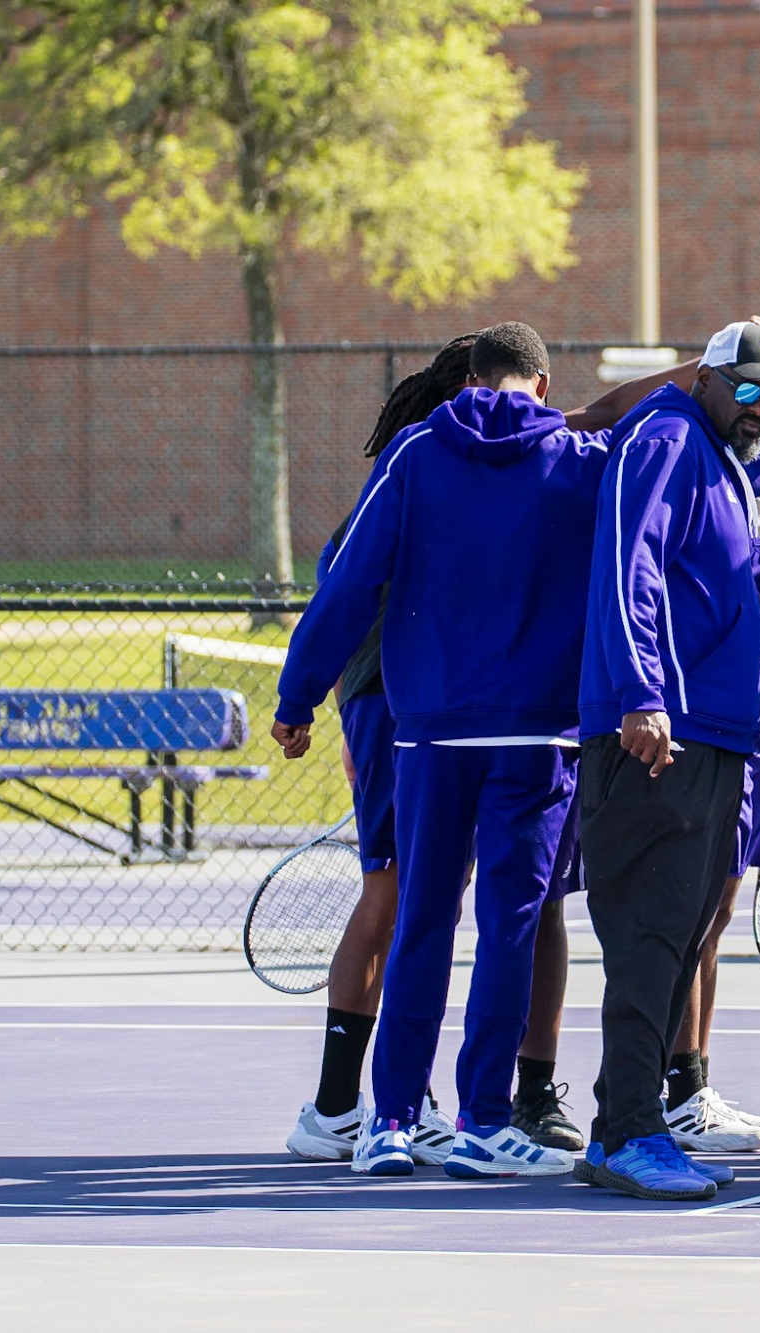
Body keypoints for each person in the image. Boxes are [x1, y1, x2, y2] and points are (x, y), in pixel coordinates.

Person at [274, 322, 613, 1181]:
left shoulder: (417, 454)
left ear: (472, 380)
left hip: (427, 732)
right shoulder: (579, 460)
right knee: (509, 928)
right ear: (541, 383)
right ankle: (483, 1121)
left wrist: (296, 694)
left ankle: (388, 1119)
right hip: (535, 736)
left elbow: (349, 580)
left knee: (423, 919)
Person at [576, 322, 760, 1202]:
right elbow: (630, 568)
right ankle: (626, 1132)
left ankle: (632, 1122)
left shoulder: (725, 450)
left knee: (680, 932)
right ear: (706, 376)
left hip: (716, 733)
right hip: (662, 732)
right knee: (651, 934)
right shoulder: (663, 436)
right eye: (748, 391)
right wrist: (641, 694)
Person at [284, 334, 477, 1167]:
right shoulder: (418, 473)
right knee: (400, 899)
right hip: (396, 714)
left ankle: (356, 1102)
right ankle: (358, 1104)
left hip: (403, 713)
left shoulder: (433, 473)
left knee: (408, 900)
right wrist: (328, 708)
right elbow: (341, 592)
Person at [659, 504, 760, 1156]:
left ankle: (694, 1087)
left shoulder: (756, 496)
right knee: (695, 915)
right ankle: (681, 1091)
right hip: (711, 723)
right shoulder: (699, 486)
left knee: (717, 917)